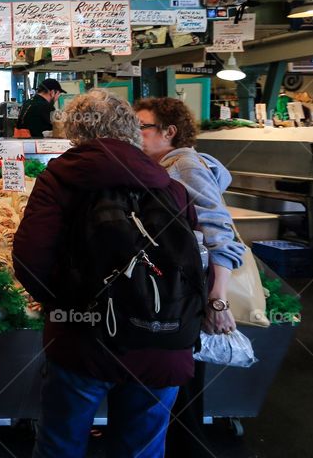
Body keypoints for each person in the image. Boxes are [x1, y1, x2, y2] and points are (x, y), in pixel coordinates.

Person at [12, 90, 200, 458]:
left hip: (83, 341)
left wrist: (65, 306)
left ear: (74, 132)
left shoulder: (59, 179)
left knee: (60, 446)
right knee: (140, 450)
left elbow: (30, 258)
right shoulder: (171, 186)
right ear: (131, 128)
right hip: (162, 341)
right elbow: (194, 259)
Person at [134, 97, 245, 457]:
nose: (136, 134)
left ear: (169, 131)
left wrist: (218, 298)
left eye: (143, 127)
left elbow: (218, 231)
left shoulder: (183, 166)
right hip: (179, 289)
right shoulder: (163, 165)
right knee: (179, 385)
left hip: (189, 292)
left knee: (182, 392)